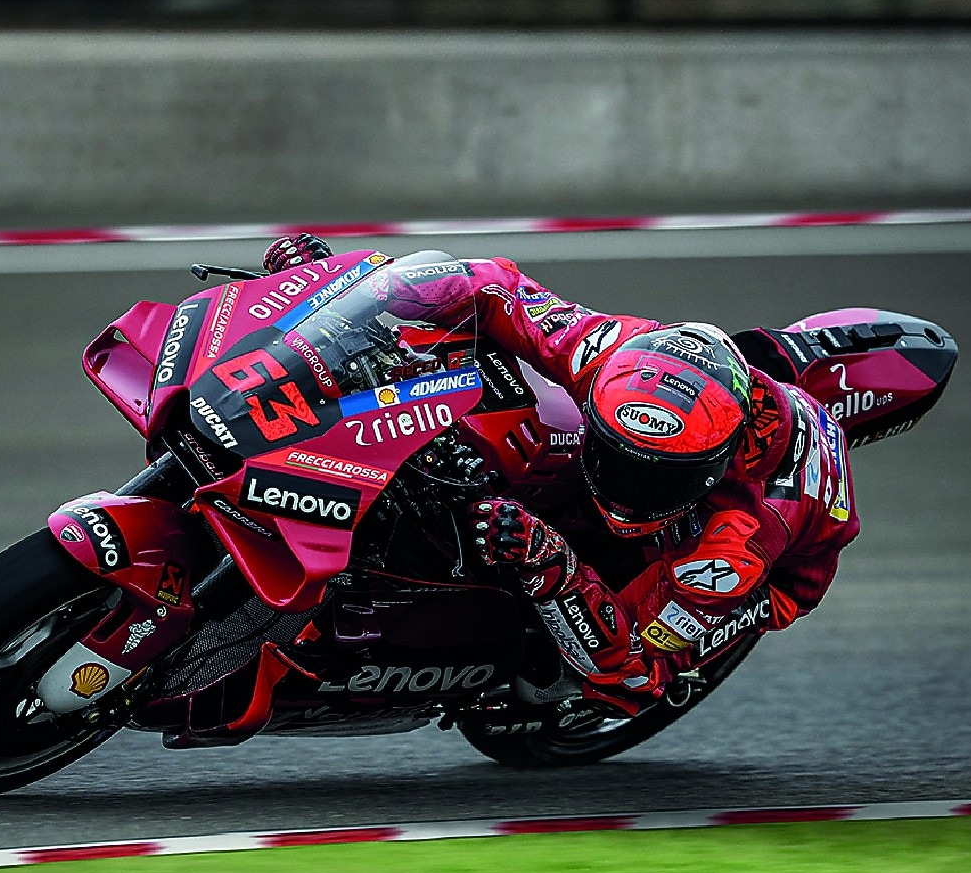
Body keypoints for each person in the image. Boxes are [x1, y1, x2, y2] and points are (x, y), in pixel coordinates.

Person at [262, 233, 860, 718]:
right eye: (614, 457)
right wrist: (343, 289)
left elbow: (634, 677)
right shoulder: (605, 353)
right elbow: (488, 285)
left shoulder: (737, 547)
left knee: (570, 672)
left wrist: (554, 566)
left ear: (711, 471)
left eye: (653, 481)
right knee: (501, 405)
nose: (624, 488)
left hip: (771, 570)